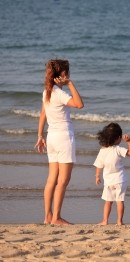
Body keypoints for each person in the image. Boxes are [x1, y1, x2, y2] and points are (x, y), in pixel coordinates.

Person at [35, 59, 84, 225]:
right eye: (67, 73)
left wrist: (40, 135)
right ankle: (56, 217)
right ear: (63, 75)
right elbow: (79, 104)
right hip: (64, 138)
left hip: (51, 138)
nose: (69, 75)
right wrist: (70, 84)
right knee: (63, 180)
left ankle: (47, 216)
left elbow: (43, 115)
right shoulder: (60, 93)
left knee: (51, 179)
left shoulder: (47, 91)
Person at [94, 123, 130, 225]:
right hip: (120, 180)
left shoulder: (103, 151)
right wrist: (129, 142)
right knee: (119, 201)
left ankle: (105, 221)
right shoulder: (118, 149)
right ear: (118, 138)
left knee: (108, 201)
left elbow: (99, 165)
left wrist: (97, 176)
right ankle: (119, 221)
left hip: (108, 181)